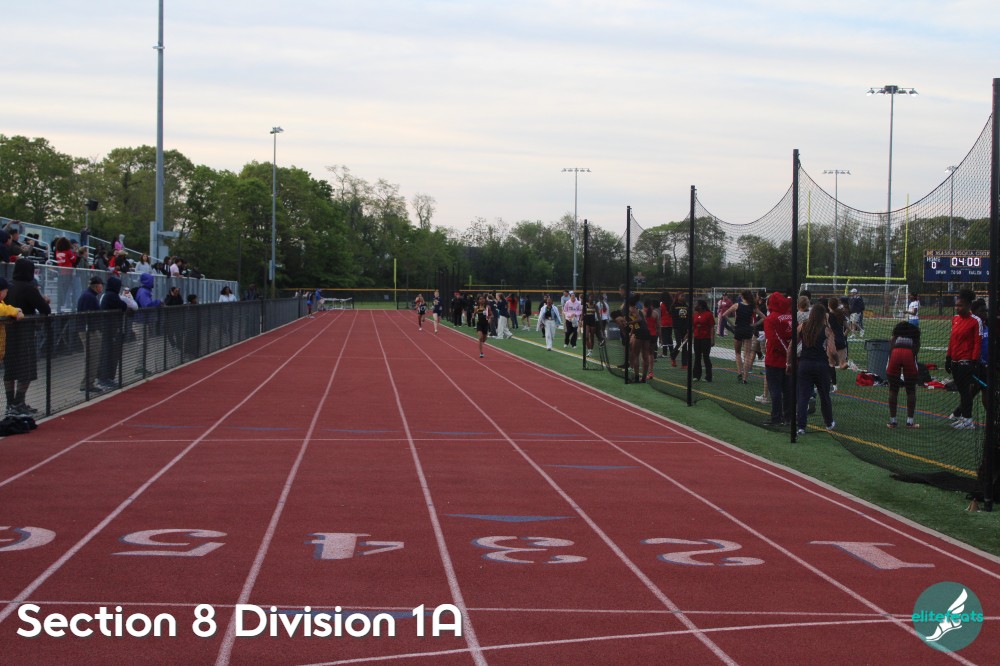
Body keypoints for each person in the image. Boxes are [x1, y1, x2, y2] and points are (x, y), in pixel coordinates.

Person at [3, 259, 51, 415]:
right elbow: (45, 309)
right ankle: (18, 402)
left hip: (8, 332)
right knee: (27, 369)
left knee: (10, 369)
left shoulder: (8, 287)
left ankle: (10, 403)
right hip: (25, 333)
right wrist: (44, 301)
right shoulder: (29, 288)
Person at [793, 303, 839, 435]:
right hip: (821, 365)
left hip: (805, 364)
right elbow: (832, 350)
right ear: (823, 315)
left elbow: (792, 344)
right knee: (824, 395)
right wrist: (838, 360)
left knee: (803, 396)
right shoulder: (826, 330)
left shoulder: (803, 326)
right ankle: (829, 423)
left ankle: (801, 426)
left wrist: (789, 362)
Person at [945, 289, 982, 430]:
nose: (957, 308)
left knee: (966, 391)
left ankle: (968, 420)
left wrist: (973, 361)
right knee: (961, 391)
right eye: (956, 305)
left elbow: (977, 342)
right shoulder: (955, 319)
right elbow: (952, 340)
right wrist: (948, 357)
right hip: (955, 360)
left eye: (960, 305)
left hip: (966, 361)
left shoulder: (976, 321)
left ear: (968, 306)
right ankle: (963, 418)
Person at [721, 290, 765, 384]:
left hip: (738, 330)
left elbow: (724, 315)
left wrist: (732, 324)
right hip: (748, 330)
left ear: (742, 296)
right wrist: (754, 324)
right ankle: (745, 378)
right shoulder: (752, 306)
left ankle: (739, 372)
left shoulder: (736, 305)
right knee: (747, 355)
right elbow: (764, 317)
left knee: (737, 353)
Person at [762, 292, 793, 426]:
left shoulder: (770, 319)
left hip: (775, 359)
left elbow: (774, 339)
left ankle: (776, 417)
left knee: (775, 390)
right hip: (790, 359)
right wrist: (791, 355)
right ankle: (788, 417)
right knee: (788, 390)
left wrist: (787, 352)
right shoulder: (791, 316)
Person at [886, 319, 921, 429]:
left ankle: (893, 422)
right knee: (910, 390)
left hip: (895, 354)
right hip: (909, 355)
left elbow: (890, 349)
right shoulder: (914, 338)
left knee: (893, 390)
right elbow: (915, 352)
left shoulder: (895, 338)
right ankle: (910, 422)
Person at [826, 297, 849, 393]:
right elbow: (848, 327)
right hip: (841, 340)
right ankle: (847, 364)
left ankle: (834, 385)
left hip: (832, 341)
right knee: (842, 364)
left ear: (829, 305)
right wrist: (843, 335)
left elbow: (826, 328)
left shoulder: (828, 316)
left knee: (831, 364)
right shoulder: (841, 315)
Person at [691, 299, 715, 382]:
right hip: (697, 338)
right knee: (697, 357)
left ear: (701, 306)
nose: (696, 305)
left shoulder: (708, 314)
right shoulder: (695, 315)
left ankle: (708, 376)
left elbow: (712, 327)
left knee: (706, 357)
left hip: (706, 339)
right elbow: (693, 326)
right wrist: (688, 335)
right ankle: (696, 376)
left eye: (697, 304)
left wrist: (712, 339)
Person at [669, 292, 690, 368]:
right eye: (682, 296)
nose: (683, 297)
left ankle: (684, 364)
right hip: (677, 327)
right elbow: (672, 315)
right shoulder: (673, 306)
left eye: (684, 296)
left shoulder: (686, 306)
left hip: (685, 328)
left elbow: (688, 317)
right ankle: (673, 356)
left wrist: (688, 328)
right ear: (677, 297)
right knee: (678, 343)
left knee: (684, 345)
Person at [659, 291, 674, 359]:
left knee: (664, 338)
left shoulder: (662, 304)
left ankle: (664, 353)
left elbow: (660, 313)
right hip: (670, 323)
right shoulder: (671, 304)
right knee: (669, 337)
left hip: (663, 323)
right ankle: (672, 352)